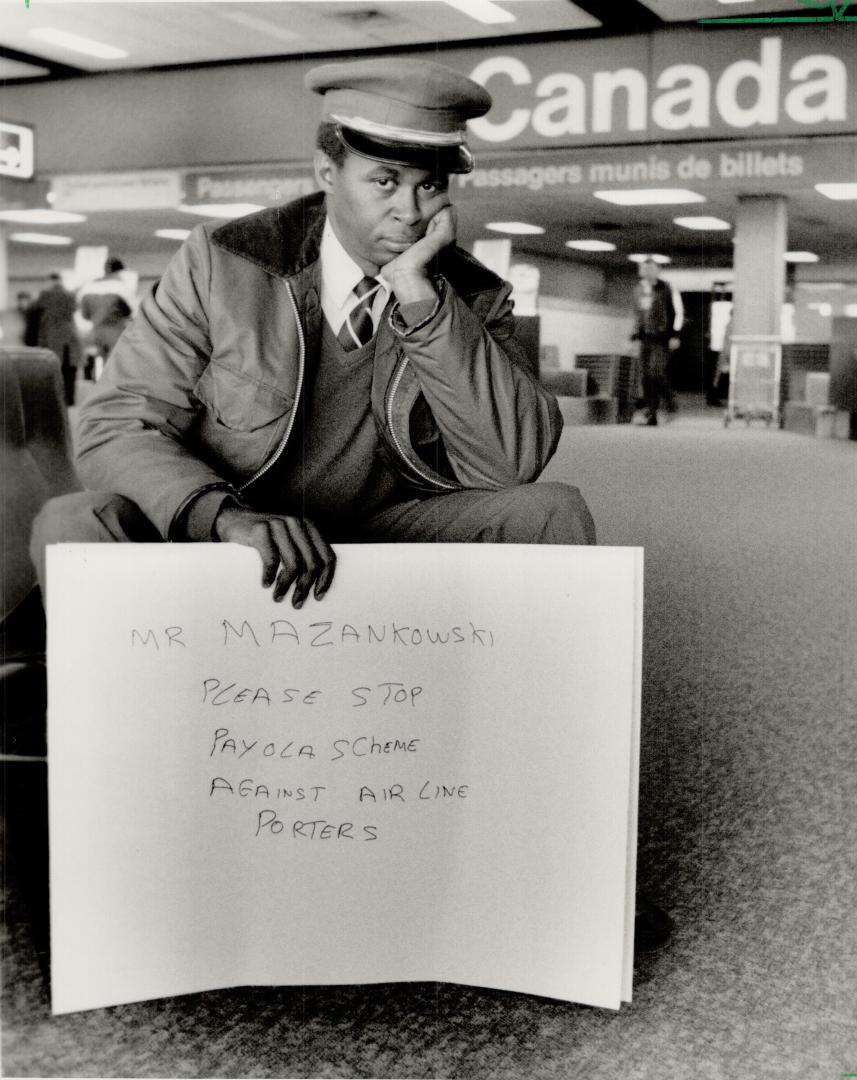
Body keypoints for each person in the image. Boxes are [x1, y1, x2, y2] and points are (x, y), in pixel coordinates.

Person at [30, 59, 669, 950]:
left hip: (374, 530)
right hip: (227, 533)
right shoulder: (223, 262)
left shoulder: (468, 291)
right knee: (73, 525)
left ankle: (560, 858)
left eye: (428, 185)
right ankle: (128, 854)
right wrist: (220, 514)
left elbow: (510, 461)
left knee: (548, 512)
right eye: (383, 182)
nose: (408, 211)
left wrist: (419, 296)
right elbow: (117, 425)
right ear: (325, 171)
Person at [632, 259, 677, 426]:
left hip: (661, 337)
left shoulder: (664, 288)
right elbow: (638, 315)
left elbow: (672, 312)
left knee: (655, 373)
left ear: (658, 270)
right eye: (644, 268)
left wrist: (674, 335)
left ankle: (670, 399)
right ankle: (652, 415)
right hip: (645, 338)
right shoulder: (638, 290)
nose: (647, 271)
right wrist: (634, 337)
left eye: (651, 268)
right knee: (646, 377)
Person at [26, 273, 82, 404]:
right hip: (70, 336)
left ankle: (56, 400)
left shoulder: (45, 294)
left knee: (54, 369)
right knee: (70, 370)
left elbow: (31, 309)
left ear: (51, 281)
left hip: (52, 337)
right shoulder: (70, 295)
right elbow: (75, 309)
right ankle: (70, 399)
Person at [78, 257, 137, 374]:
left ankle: (99, 386)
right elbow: (131, 313)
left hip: (96, 332)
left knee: (100, 362)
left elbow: (85, 315)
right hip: (117, 331)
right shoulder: (122, 287)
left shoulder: (88, 287)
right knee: (117, 365)